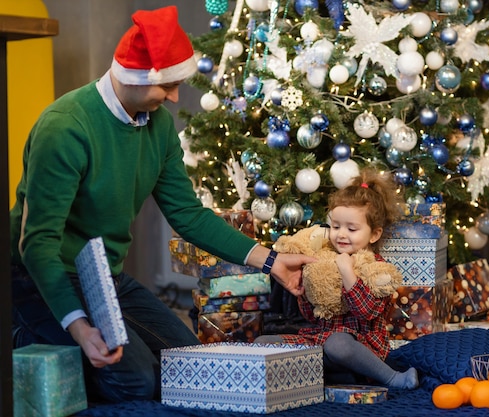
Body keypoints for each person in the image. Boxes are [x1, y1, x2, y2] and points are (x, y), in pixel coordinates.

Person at [9, 6, 314, 403]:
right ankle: (21, 334)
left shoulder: (158, 126)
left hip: (107, 281)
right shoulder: (65, 127)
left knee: (187, 365)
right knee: (136, 381)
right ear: (135, 76)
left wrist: (271, 261)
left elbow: (186, 214)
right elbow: (38, 244)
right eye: (167, 86)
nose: (173, 97)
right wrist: (80, 327)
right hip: (39, 278)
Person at [255, 168, 419, 390]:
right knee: (263, 343)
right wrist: (307, 287)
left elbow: (368, 312)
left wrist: (347, 272)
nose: (341, 234)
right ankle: (308, 382)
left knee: (338, 344)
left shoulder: (376, 268)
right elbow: (312, 317)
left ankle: (393, 378)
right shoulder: (323, 259)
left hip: (360, 345)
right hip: (320, 340)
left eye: (351, 229)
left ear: (374, 234)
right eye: (335, 226)